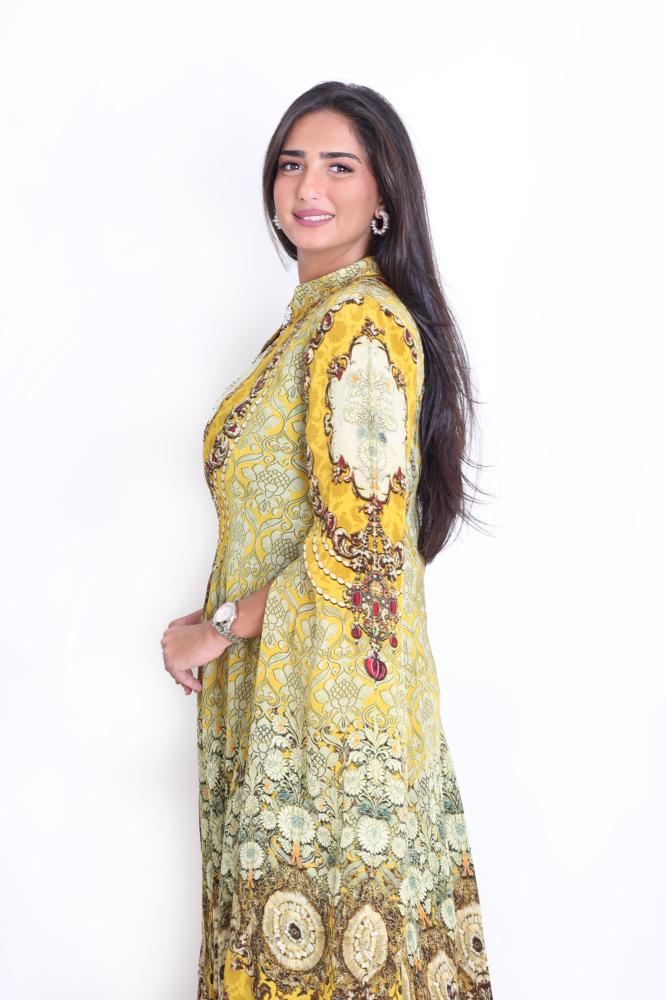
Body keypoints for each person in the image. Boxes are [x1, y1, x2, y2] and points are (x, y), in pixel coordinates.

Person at [161, 81, 494, 1000]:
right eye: (291, 163)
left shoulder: (361, 324)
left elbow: (362, 547)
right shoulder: (315, 321)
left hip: (326, 720)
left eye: (339, 166)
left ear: (383, 195)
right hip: (291, 694)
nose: (308, 186)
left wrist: (216, 629)